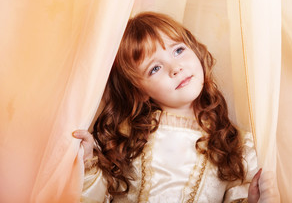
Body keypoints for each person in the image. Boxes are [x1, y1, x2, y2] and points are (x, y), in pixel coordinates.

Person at [73, 12, 279, 203]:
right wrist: (88, 163)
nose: (175, 68)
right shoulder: (126, 138)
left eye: (178, 50)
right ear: (140, 91)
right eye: (155, 68)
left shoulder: (236, 145)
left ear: (195, 50)